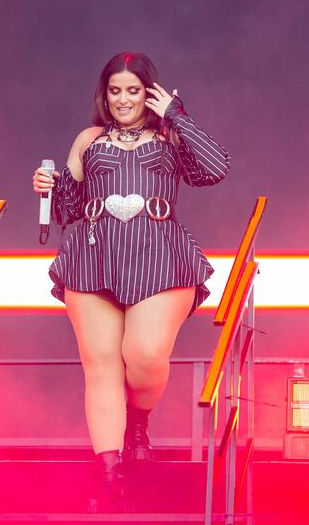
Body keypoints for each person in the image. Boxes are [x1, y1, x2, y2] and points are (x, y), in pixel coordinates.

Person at [31, 51, 230, 511]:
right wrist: (50, 186)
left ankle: (138, 420)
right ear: (105, 93)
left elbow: (215, 169)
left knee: (142, 355)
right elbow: (67, 211)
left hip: (159, 252)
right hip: (93, 255)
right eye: (115, 90)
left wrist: (177, 115)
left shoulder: (169, 133)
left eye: (133, 90)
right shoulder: (89, 139)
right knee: (100, 364)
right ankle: (110, 470)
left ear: (149, 92)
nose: (123, 99)